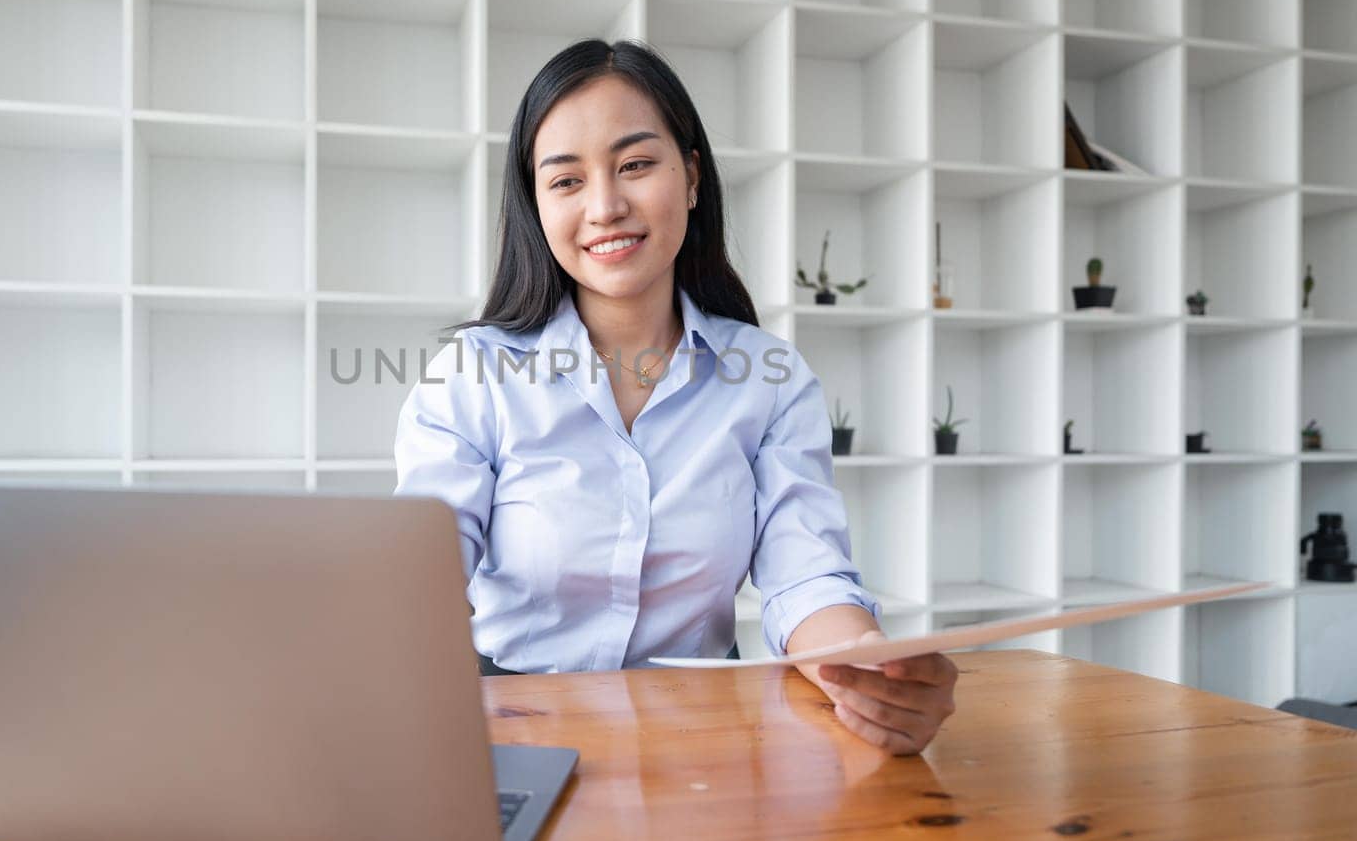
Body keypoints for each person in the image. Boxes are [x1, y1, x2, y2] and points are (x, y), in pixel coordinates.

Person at [393, 39, 956, 755]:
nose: (605, 206)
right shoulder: (473, 375)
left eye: (635, 164)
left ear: (690, 176)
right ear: (536, 204)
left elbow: (805, 576)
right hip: (515, 727)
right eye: (565, 180)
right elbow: (424, 571)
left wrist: (871, 669)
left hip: (706, 736)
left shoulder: (768, 378)